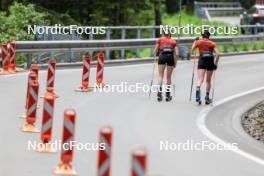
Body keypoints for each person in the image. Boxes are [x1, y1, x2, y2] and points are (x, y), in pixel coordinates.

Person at [192, 30, 220, 104]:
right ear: (209, 36)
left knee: (200, 78)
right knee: (208, 80)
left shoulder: (199, 42)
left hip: (202, 60)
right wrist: (215, 64)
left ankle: (198, 88)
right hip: (210, 61)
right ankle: (207, 97)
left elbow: (193, 49)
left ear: (202, 36)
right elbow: (218, 54)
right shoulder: (212, 43)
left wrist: (195, 41)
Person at [154, 29, 179, 102]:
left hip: (162, 57)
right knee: (168, 77)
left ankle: (159, 91)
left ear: (163, 33)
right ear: (170, 33)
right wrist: (175, 63)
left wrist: (155, 56)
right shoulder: (173, 41)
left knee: (160, 75)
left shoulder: (160, 39)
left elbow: (155, 51)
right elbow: (177, 54)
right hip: (170, 58)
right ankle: (167, 95)